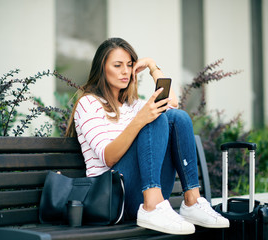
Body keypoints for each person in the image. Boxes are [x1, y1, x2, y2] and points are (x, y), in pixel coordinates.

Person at [66, 37, 229, 235]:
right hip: (111, 199)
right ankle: (151, 205)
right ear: (102, 68)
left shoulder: (132, 105)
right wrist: (140, 120)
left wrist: (153, 66)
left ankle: (192, 200)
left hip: (137, 194)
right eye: (117, 65)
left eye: (129, 65)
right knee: (155, 118)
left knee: (177, 117)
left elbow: (173, 104)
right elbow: (108, 157)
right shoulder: (89, 103)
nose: (125, 71)